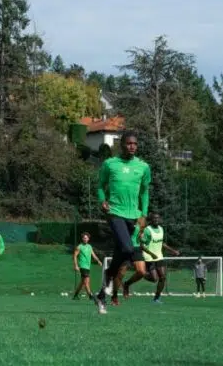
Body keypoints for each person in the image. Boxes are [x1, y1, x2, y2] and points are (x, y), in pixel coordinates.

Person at [94, 131, 151, 315]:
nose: (132, 146)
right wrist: (102, 200)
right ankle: (107, 282)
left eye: (135, 143)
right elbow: (100, 186)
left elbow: (144, 193)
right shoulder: (110, 164)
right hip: (114, 212)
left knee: (121, 255)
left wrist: (143, 214)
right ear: (122, 145)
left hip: (133, 216)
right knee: (127, 249)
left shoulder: (143, 167)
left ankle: (102, 294)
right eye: (128, 143)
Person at [124, 211, 180, 303]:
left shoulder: (161, 229)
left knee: (163, 277)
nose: (156, 219)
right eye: (154, 218)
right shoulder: (147, 230)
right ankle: (133, 279)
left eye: (158, 218)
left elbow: (162, 243)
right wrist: (151, 254)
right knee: (154, 279)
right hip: (149, 257)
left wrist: (173, 250)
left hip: (159, 257)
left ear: (160, 219)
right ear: (151, 220)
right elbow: (141, 245)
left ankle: (156, 298)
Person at [71, 232, 101, 301]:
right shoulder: (79, 247)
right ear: (82, 239)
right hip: (82, 266)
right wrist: (76, 265)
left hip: (88, 267)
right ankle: (90, 296)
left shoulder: (89, 246)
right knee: (86, 281)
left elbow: (93, 254)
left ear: (88, 239)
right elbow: (75, 256)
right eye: (84, 238)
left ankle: (75, 295)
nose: (85, 239)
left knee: (82, 282)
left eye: (86, 238)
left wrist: (98, 261)